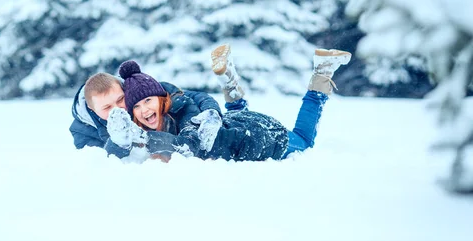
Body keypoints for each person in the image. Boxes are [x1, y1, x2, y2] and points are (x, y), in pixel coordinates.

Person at [106, 44, 351, 161]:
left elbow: (187, 143)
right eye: (136, 107)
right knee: (232, 125)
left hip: (262, 137)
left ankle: (322, 73)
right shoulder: (162, 112)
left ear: (161, 100)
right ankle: (229, 80)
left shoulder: (187, 113)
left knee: (304, 141)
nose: (143, 109)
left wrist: (143, 139)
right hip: (236, 123)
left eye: (147, 101)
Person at [69, 71, 224, 158]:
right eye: (107, 107)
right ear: (93, 109)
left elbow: (193, 96)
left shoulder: (139, 92)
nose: (118, 109)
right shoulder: (82, 131)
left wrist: (211, 112)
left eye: (120, 100)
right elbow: (105, 166)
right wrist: (118, 142)